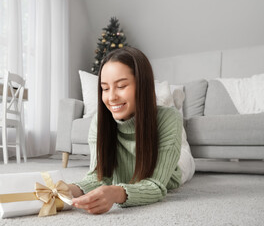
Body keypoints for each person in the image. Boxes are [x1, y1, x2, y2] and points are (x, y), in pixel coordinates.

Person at [68, 46, 195, 214]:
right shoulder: (100, 121)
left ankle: (173, 105)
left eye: (121, 86)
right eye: (105, 88)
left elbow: (156, 185)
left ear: (142, 85)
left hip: (177, 165)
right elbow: (97, 177)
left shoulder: (168, 119)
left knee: (183, 151)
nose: (111, 97)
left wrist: (115, 193)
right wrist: (68, 189)